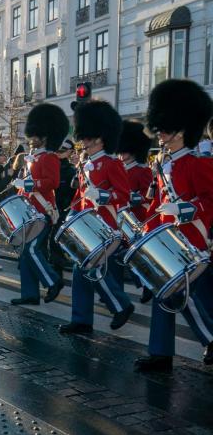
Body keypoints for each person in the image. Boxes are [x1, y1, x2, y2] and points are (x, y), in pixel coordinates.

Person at [136, 80, 213, 372]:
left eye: (166, 130)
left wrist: (186, 208)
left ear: (182, 130)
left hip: (192, 238)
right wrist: (147, 227)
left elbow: (210, 199)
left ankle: (210, 338)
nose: (162, 135)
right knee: (163, 292)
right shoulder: (164, 163)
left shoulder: (198, 163)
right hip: (167, 238)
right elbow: (159, 202)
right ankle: (160, 352)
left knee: (192, 297)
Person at [58, 100, 135, 334]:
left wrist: (100, 195)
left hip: (104, 225)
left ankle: (121, 305)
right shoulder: (86, 163)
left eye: (89, 136)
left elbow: (123, 196)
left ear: (100, 136)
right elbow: (81, 196)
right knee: (82, 271)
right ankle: (81, 319)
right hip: (86, 223)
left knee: (93, 270)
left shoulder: (112, 163)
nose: (84, 139)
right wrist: (71, 215)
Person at [12, 104, 68, 306]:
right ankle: (30, 293)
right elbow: (28, 186)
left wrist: (29, 184)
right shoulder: (33, 157)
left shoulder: (50, 157)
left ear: (45, 136)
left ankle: (53, 281)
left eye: (36, 134)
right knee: (25, 253)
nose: (32, 137)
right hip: (30, 210)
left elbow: (52, 182)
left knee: (32, 250)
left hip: (43, 211)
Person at [118, 121, 154, 303]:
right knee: (121, 257)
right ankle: (115, 290)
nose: (122, 154)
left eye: (125, 151)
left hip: (136, 219)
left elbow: (149, 196)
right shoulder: (120, 169)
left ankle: (147, 285)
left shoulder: (143, 170)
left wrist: (133, 197)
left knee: (134, 257)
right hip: (120, 219)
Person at [48, 139, 78, 277]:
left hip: (61, 211)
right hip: (46, 208)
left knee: (55, 242)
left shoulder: (72, 170)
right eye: (58, 150)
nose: (59, 153)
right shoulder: (49, 165)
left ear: (70, 152)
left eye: (63, 150)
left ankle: (56, 275)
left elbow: (74, 195)